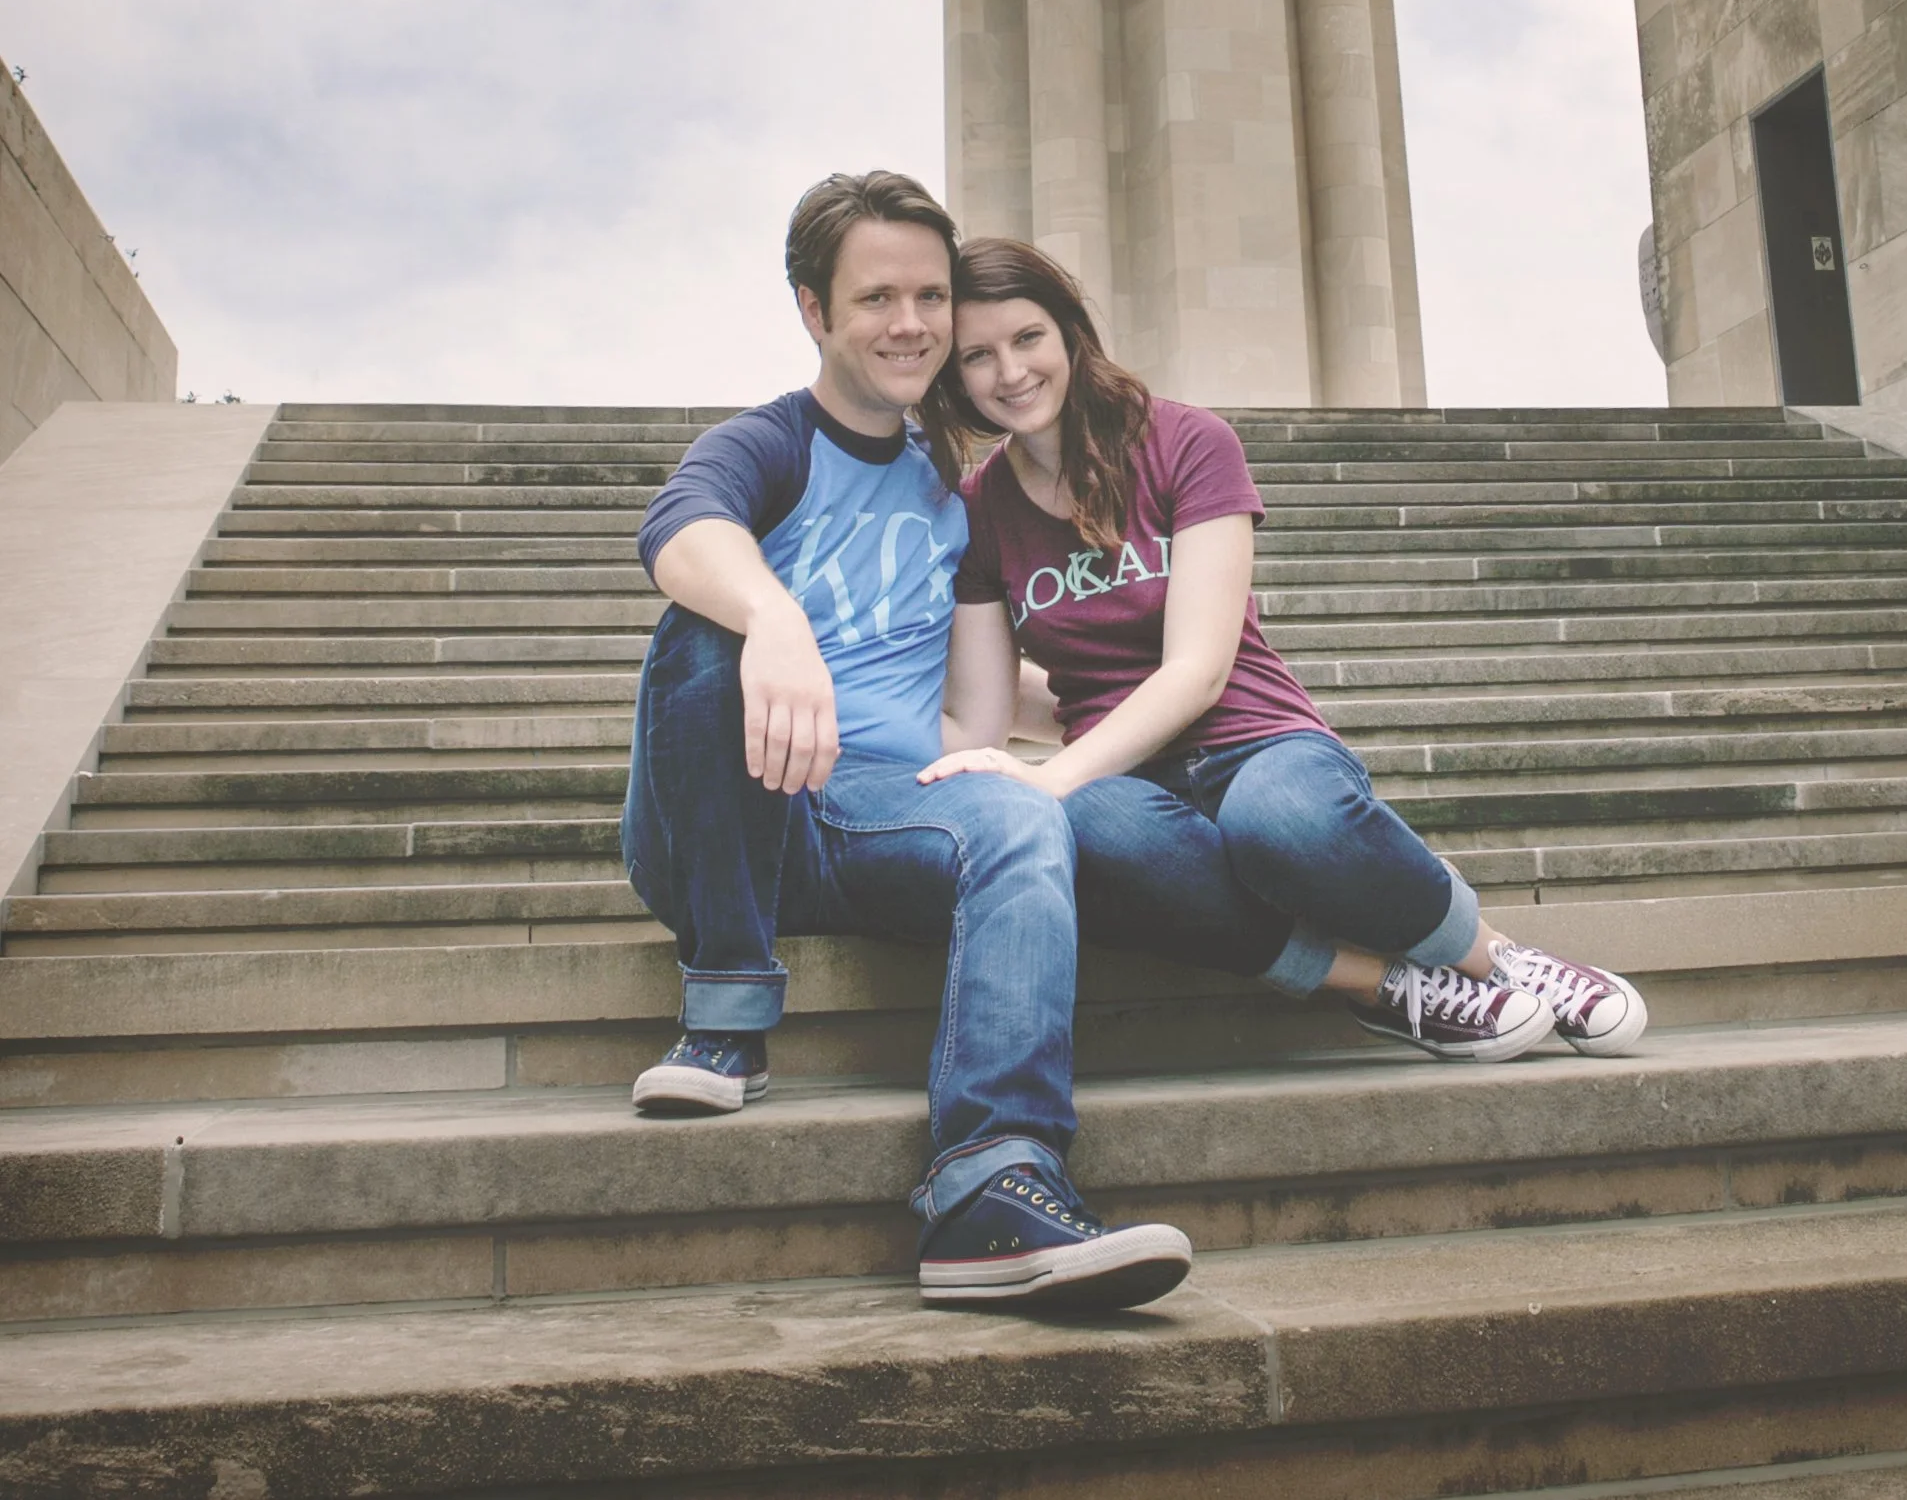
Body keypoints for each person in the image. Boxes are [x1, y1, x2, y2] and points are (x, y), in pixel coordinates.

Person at [620, 170, 1192, 1311]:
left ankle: (991, 1185)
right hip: (737, 816)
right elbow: (679, 534)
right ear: (813, 309)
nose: (912, 324)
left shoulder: (953, 481)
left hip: (885, 807)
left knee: (1026, 806)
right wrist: (773, 617)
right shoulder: (772, 443)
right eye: (877, 296)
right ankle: (727, 1012)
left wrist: (1140, 702)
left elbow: (982, 677)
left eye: (930, 295)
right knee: (698, 629)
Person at [920, 237, 1649, 1063]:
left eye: (1026, 338)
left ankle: (1494, 957)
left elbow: (1198, 670)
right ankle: (1384, 986)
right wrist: (864, 712)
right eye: (976, 356)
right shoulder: (978, 510)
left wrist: (1052, 768)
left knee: (1280, 819)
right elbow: (983, 708)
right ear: (954, 377)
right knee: (1085, 825)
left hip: (1253, 737)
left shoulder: (1184, 441)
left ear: (1069, 332)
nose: (1008, 372)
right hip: (1119, 773)